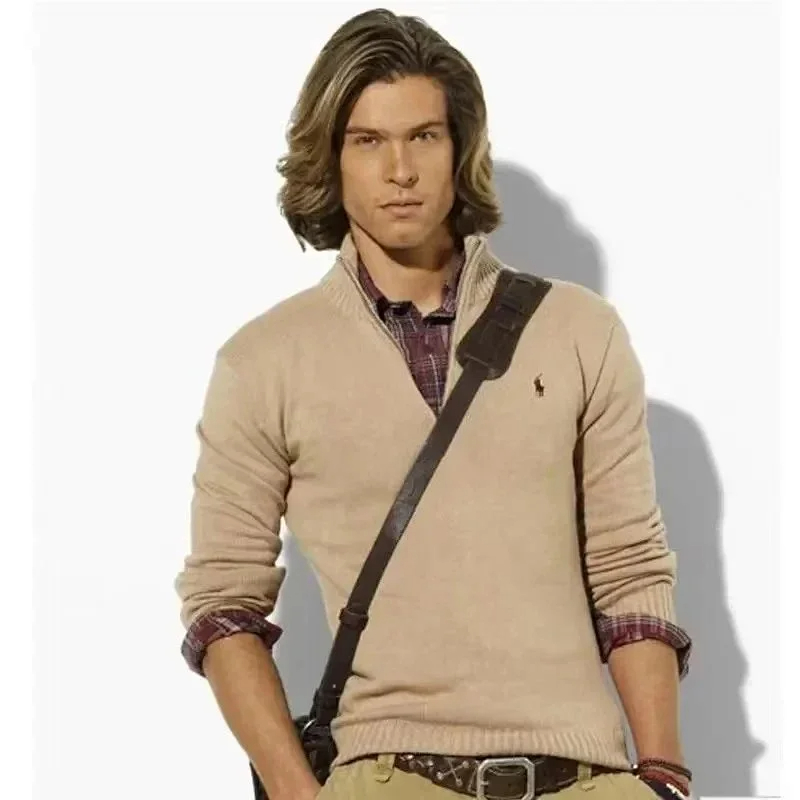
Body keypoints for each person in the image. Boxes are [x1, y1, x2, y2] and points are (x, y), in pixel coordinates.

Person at [174, 8, 694, 800]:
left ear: (460, 147)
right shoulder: (263, 361)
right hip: (388, 774)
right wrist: (296, 790)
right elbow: (223, 605)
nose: (400, 170)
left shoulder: (579, 331)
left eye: (424, 136)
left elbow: (630, 571)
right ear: (331, 157)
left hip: (587, 776)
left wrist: (663, 776)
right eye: (367, 141)